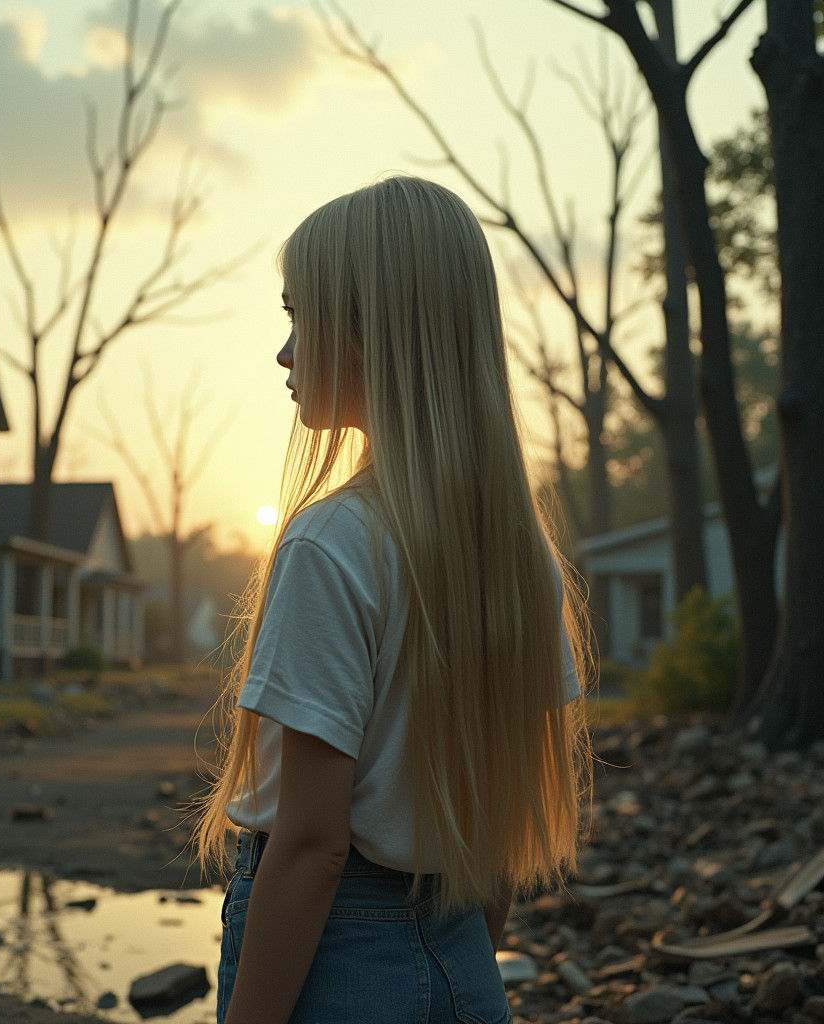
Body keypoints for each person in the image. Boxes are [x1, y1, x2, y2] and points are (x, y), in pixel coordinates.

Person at [191, 175, 593, 1024]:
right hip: (464, 960)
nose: (284, 354)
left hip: (340, 967)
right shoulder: (519, 557)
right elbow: (503, 814)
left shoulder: (330, 544)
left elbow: (310, 847)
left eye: (300, 318)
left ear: (375, 333)